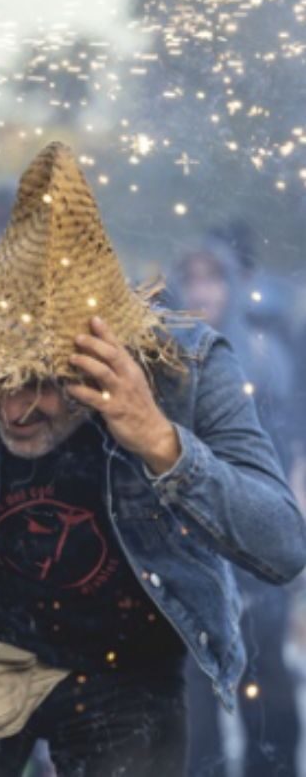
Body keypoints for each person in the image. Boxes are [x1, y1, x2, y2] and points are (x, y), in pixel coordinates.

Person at [0, 142, 306, 776]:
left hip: (126, 667)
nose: (19, 410)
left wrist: (161, 442)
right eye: (3, 378)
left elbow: (282, 545)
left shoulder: (185, 368)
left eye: (47, 384)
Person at [173, 232, 301, 777]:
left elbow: (290, 442)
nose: (204, 291)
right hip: (188, 547)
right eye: (193, 278)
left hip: (255, 537)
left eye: (213, 277)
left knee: (266, 690)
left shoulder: (266, 356)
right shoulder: (167, 357)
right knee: (195, 704)